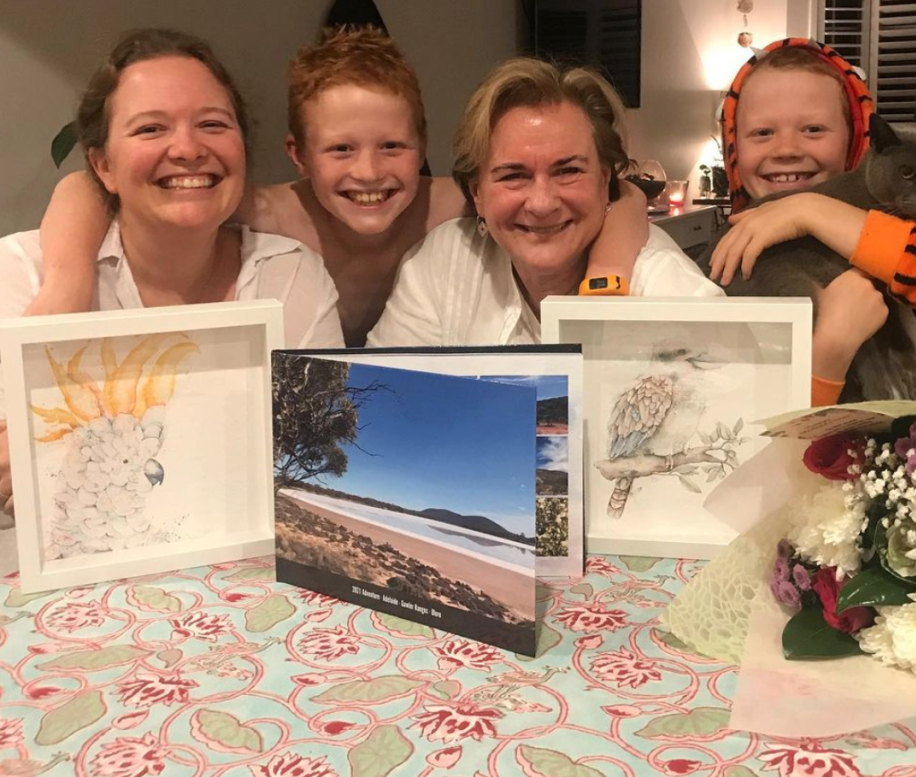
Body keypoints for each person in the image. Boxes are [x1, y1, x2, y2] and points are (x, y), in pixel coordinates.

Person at [31, 29, 651, 346]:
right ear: (298, 156)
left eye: (393, 147)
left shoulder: (452, 204)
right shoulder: (269, 214)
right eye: (340, 150)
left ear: (422, 148)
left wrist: (608, 273)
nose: (370, 173)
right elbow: (92, 189)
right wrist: (65, 281)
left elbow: (617, 197)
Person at [0, 28, 344, 515]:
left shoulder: (289, 280)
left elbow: (311, 461)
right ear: (102, 167)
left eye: (213, 124)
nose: (187, 148)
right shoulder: (22, 274)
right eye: (150, 129)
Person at [707, 37, 916, 405]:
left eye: (813, 129)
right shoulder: (738, 238)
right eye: (763, 132)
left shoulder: (914, 215)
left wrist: (807, 209)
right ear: (732, 144)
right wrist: (833, 342)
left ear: (857, 138)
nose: (787, 150)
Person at [368, 58, 720, 346]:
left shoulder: (672, 295)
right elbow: (385, 404)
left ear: (604, 180)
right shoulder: (444, 262)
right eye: (513, 175)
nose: (541, 203)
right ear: (477, 193)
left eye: (567, 170)